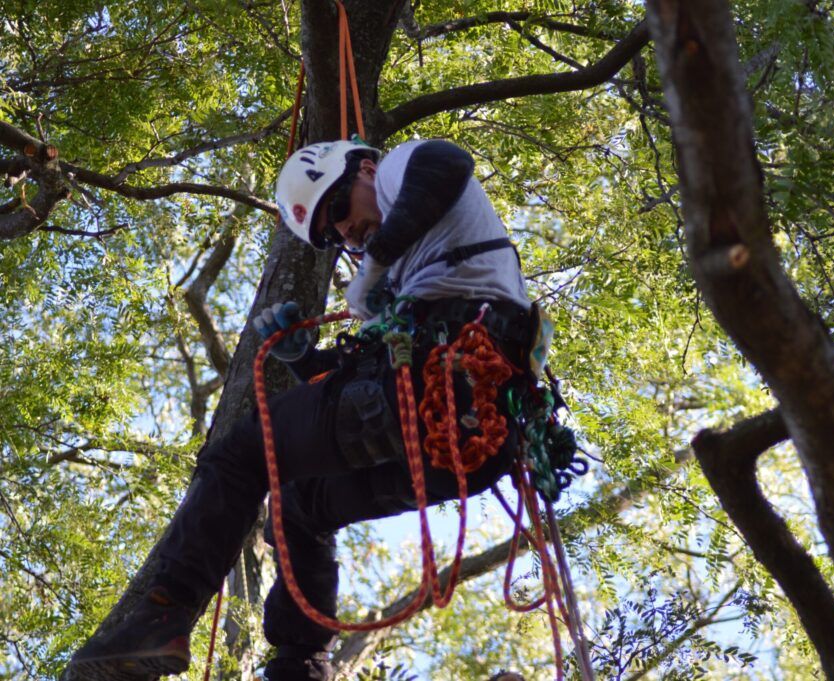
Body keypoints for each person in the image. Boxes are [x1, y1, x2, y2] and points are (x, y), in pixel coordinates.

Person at [69, 138, 533, 680]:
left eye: (339, 210)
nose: (346, 233)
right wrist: (303, 359)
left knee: (241, 456)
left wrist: (375, 263)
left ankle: (161, 619)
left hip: (449, 391)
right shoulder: (415, 272)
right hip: (463, 440)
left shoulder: (399, 169)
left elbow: (449, 161)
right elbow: (352, 404)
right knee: (300, 505)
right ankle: (299, 665)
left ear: (365, 169)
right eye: (332, 236)